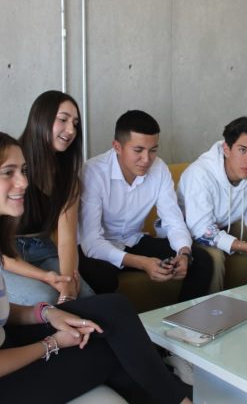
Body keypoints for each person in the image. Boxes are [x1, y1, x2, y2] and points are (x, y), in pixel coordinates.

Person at [0, 130, 191, 404]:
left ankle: (174, 396)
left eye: (23, 170)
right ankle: (179, 397)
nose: (23, 182)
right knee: (110, 351)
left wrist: (46, 313)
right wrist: (53, 343)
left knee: (113, 308)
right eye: (8, 173)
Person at [77, 110, 213, 301]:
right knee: (102, 276)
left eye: (153, 150)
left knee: (201, 261)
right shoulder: (93, 172)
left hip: (132, 240)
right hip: (97, 247)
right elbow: (91, 243)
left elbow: (173, 221)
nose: (147, 159)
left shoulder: (159, 169)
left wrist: (184, 253)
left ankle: (185, 324)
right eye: (138, 150)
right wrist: (142, 263)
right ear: (117, 146)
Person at [1, 90, 95, 305]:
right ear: (41, 119)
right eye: (62, 120)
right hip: (5, 254)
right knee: (47, 298)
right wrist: (47, 278)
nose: (71, 130)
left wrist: (68, 280)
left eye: (75, 123)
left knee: (84, 298)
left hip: (42, 248)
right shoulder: (9, 163)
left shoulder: (68, 180)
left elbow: (67, 239)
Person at [177, 116, 247, 292]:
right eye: (243, 150)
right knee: (214, 258)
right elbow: (202, 230)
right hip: (188, 231)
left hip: (223, 225)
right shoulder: (200, 173)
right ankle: (213, 314)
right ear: (226, 148)